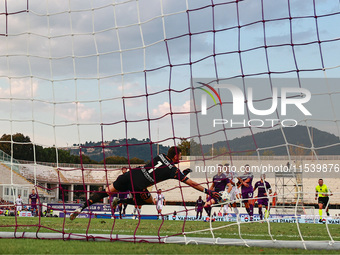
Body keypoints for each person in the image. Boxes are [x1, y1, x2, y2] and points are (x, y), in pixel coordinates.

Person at [70, 146, 221, 220]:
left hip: (131, 174)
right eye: (179, 156)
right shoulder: (173, 171)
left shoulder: (160, 155)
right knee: (148, 201)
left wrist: (183, 173)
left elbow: (161, 169)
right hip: (139, 185)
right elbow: (191, 183)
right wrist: (208, 192)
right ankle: (122, 200)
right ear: (175, 156)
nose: (180, 158)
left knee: (106, 191)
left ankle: (81, 208)